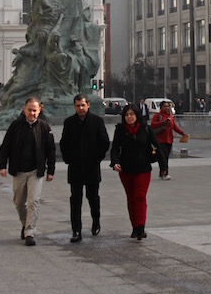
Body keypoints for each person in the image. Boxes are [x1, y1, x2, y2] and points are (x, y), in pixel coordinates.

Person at [0, 96, 56, 246]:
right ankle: (25, 223)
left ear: (39, 110)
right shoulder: (15, 126)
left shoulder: (44, 127)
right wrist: (2, 165)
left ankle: (30, 232)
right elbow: (5, 146)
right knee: (18, 202)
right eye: (29, 110)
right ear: (24, 110)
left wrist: (51, 170)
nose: (32, 113)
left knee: (33, 202)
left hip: (35, 171)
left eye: (35, 110)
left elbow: (51, 150)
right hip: (18, 170)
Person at [60, 94, 110, 243]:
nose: (80, 108)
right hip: (75, 167)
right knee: (75, 200)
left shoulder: (97, 121)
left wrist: (97, 158)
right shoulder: (69, 122)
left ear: (88, 105)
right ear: (74, 106)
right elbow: (64, 143)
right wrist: (68, 158)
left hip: (91, 167)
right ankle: (76, 230)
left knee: (92, 197)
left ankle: (96, 221)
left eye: (83, 105)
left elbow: (105, 142)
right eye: (77, 106)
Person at [110, 104, 165, 240]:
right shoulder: (120, 130)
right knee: (131, 198)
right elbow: (115, 149)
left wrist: (163, 166)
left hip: (143, 168)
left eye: (132, 114)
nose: (129, 117)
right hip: (126, 169)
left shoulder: (146, 129)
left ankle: (141, 226)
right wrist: (115, 162)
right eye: (127, 115)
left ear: (137, 116)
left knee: (140, 196)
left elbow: (157, 147)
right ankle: (134, 226)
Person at [150, 100, 187, 179]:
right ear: (161, 107)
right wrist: (163, 122)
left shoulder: (170, 116)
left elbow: (174, 127)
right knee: (163, 157)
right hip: (160, 140)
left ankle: (162, 173)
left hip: (169, 140)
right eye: (165, 106)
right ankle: (165, 173)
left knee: (165, 157)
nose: (167, 108)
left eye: (168, 106)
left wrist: (182, 133)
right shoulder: (158, 115)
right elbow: (153, 124)